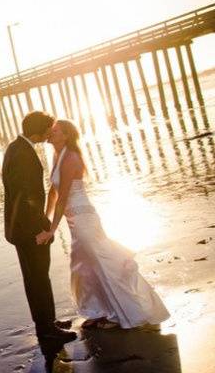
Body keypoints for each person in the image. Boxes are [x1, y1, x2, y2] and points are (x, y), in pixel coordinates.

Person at [36, 119, 170, 329]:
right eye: (51, 130)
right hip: (74, 220)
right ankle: (98, 311)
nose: (50, 133)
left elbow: (63, 196)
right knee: (84, 266)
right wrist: (45, 217)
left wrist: (52, 229)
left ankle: (121, 314)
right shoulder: (57, 155)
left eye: (55, 130)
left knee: (101, 263)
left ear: (66, 136)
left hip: (84, 219)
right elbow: (52, 191)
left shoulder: (71, 157)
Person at [2, 111, 77, 342]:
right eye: (48, 129)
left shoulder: (15, 148)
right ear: (39, 130)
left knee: (36, 278)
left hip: (19, 228)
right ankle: (47, 331)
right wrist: (41, 228)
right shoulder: (23, 154)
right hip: (28, 230)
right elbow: (25, 198)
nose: (49, 134)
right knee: (38, 279)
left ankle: (47, 322)